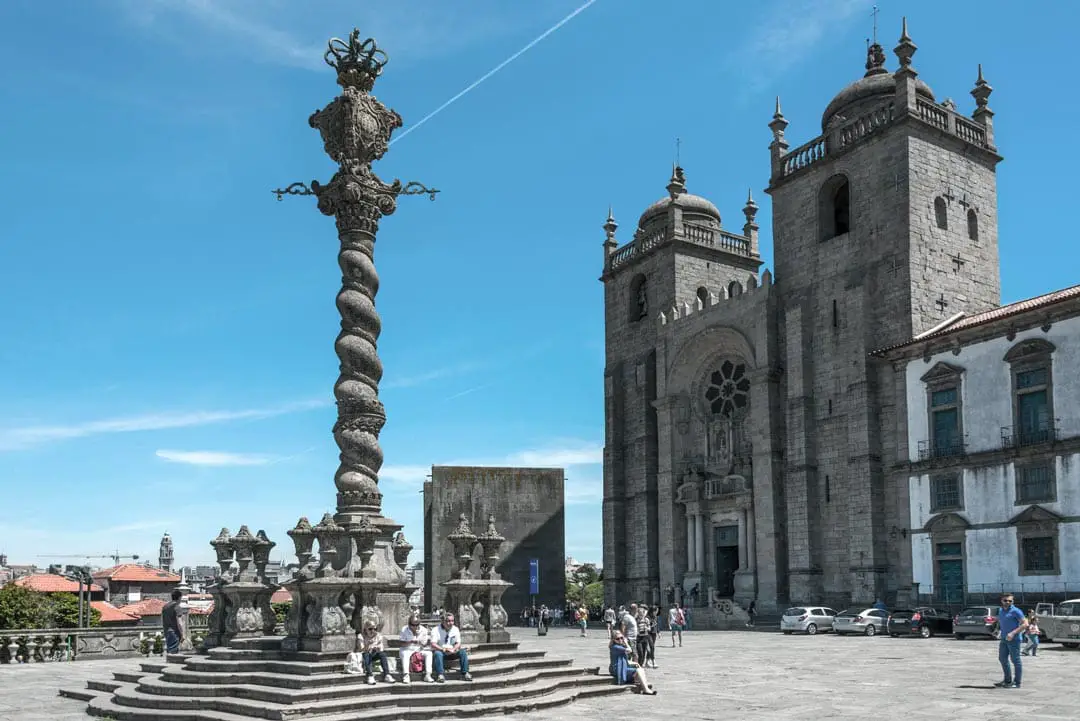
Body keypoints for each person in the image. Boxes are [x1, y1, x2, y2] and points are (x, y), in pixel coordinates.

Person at [995, 593, 1029, 688]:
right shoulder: (1001, 610)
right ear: (1001, 601)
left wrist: (1013, 633)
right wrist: (998, 631)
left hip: (1014, 639)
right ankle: (1007, 680)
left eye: (1010, 601)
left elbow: (1025, 624)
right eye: (1005, 600)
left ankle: (1017, 683)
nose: (1008, 602)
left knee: (1015, 660)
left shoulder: (1016, 611)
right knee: (1002, 659)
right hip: (1004, 639)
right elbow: (1001, 621)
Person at [609, 631, 657, 695]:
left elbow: (624, 660)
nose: (620, 640)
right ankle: (646, 689)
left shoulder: (620, 646)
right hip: (618, 669)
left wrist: (634, 663)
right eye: (617, 639)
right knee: (638, 670)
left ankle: (644, 687)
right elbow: (629, 650)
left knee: (640, 669)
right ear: (613, 640)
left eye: (621, 638)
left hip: (622, 666)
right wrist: (626, 643)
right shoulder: (615, 647)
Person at [431, 612, 473, 682]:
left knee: (463, 652)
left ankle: (465, 673)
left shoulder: (455, 629)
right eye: (448, 621)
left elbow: (458, 643)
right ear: (443, 621)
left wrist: (453, 649)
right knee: (437, 653)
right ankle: (440, 675)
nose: (451, 623)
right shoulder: (435, 630)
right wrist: (443, 649)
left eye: (452, 621)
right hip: (441, 652)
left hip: (452, 652)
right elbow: (433, 644)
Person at [398, 614, 434, 684]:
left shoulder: (424, 630)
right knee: (405, 655)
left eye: (417, 624)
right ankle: (406, 675)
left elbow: (425, 644)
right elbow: (401, 643)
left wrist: (420, 641)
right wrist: (410, 641)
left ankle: (428, 675)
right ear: (409, 624)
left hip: (419, 649)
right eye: (412, 625)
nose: (415, 627)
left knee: (429, 653)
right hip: (407, 648)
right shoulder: (404, 629)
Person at [161, 589, 183, 655]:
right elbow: (179, 622)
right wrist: (182, 633)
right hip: (174, 632)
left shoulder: (165, 607)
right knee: (173, 653)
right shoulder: (177, 607)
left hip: (166, 631)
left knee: (169, 651)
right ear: (179, 598)